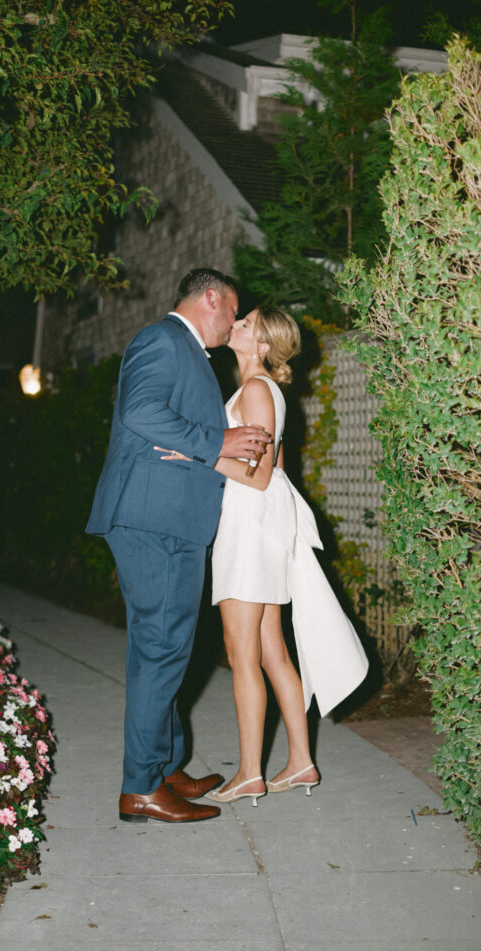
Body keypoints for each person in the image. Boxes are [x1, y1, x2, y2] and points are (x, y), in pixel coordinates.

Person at [159, 306, 368, 805]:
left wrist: (197, 454)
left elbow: (256, 474)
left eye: (247, 324)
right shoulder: (257, 389)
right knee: (271, 649)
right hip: (259, 522)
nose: (237, 324)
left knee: (242, 652)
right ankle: (300, 762)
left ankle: (251, 771)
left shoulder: (255, 390)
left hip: (251, 526)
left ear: (264, 346)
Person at [86, 269, 272, 824]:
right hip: (154, 519)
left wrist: (201, 451)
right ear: (210, 297)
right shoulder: (162, 339)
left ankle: (163, 766)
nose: (234, 322)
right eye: (233, 310)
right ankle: (141, 786)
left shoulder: (188, 353)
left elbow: (164, 428)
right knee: (161, 649)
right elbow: (139, 412)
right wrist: (216, 440)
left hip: (170, 519)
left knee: (166, 648)